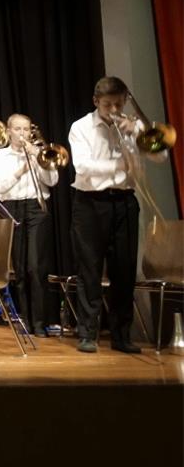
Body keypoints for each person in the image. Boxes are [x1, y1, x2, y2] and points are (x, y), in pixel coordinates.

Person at [68, 76, 168, 354]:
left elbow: (160, 157)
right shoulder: (81, 127)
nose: (113, 109)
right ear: (96, 102)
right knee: (89, 269)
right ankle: (87, 333)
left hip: (125, 202)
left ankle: (122, 336)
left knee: (124, 270)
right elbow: (84, 167)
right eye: (107, 104)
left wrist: (137, 132)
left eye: (118, 103)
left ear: (125, 101)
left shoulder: (133, 127)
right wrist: (119, 164)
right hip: (90, 203)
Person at [0, 113, 59, 336]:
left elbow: (52, 181)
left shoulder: (39, 151)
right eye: (17, 129)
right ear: (8, 131)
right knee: (19, 268)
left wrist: (38, 159)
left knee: (35, 266)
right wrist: (21, 170)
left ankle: (40, 322)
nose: (22, 134)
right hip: (12, 208)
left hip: (36, 207)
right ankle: (26, 321)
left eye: (26, 129)